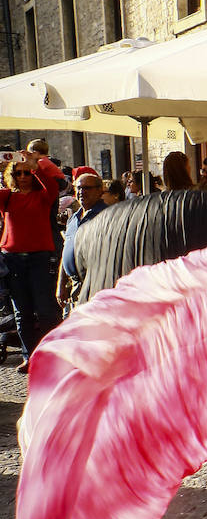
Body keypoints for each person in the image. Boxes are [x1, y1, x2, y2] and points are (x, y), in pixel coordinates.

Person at [1, 149, 65, 373]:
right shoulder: (7, 196)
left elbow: (53, 186)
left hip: (40, 258)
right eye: (18, 173)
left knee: (46, 311)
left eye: (26, 173)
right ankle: (30, 356)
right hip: (14, 260)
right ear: (12, 176)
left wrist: (34, 164)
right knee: (22, 313)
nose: (22, 177)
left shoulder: (43, 196)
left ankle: (50, 354)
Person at [58, 174, 106, 308]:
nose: (81, 192)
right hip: (75, 286)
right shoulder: (73, 218)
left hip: (96, 285)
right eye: (78, 188)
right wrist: (60, 284)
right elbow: (66, 250)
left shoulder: (107, 216)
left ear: (99, 190)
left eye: (87, 188)